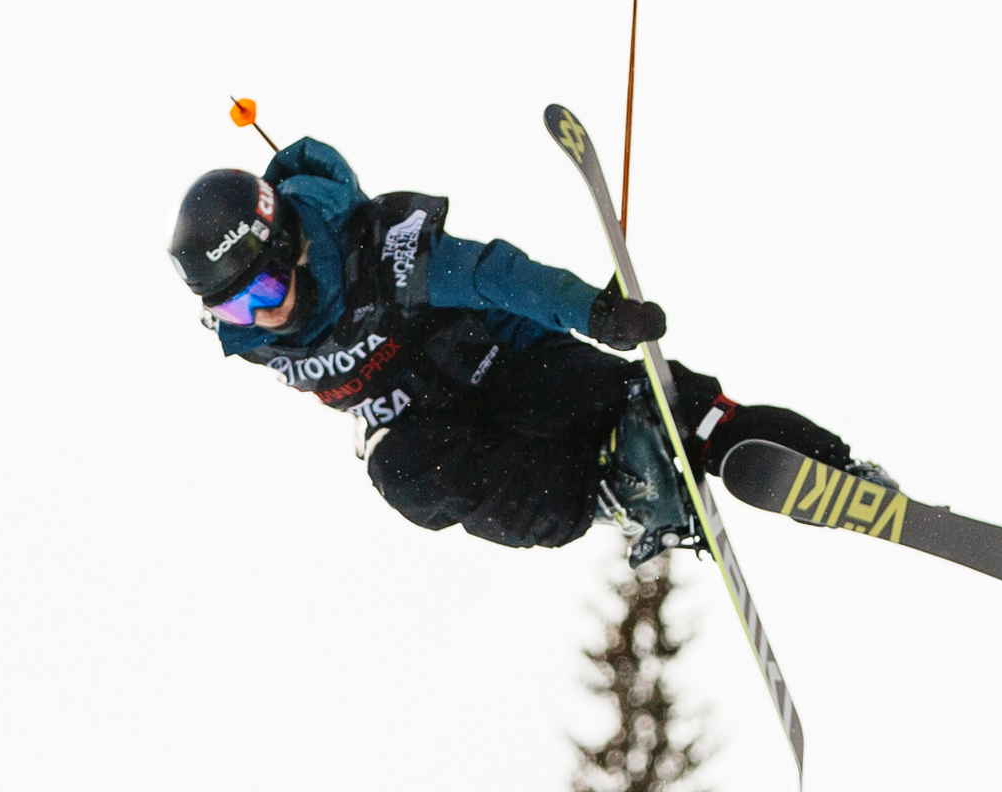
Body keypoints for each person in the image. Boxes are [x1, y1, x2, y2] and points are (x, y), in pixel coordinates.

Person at [169, 141, 863, 567]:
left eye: (260, 287)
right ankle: (610, 491)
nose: (264, 316)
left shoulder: (384, 256)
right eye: (234, 309)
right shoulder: (262, 341)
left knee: (657, 409)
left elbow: (496, 274)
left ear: (288, 242)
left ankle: (823, 465)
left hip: (515, 364)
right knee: (398, 468)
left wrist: (592, 309)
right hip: (444, 432)